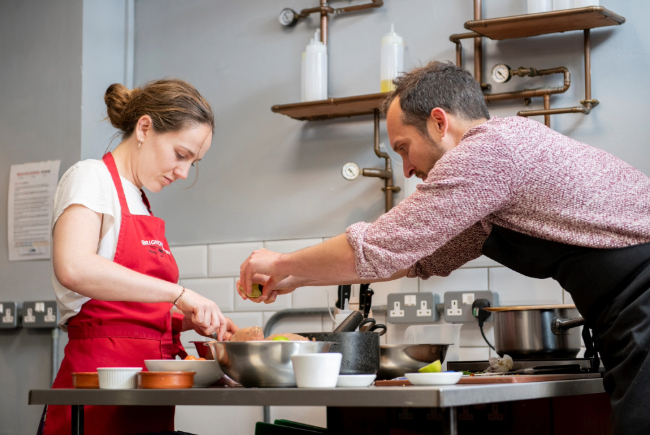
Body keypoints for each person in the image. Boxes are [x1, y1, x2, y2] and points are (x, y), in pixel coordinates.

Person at [237, 61, 650, 434]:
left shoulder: (489, 152)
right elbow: (414, 256)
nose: (407, 169)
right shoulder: (490, 181)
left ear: (439, 122)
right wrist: (295, 276)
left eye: (403, 148)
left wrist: (279, 261)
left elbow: (383, 245)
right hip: (625, 314)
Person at [40, 79, 238, 435]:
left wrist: (189, 319)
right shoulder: (91, 177)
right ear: (144, 127)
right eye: (181, 154)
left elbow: (132, 310)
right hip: (99, 388)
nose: (184, 173)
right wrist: (179, 294)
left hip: (149, 388)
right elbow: (74, 267)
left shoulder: (139, 200)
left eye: (194, 162)